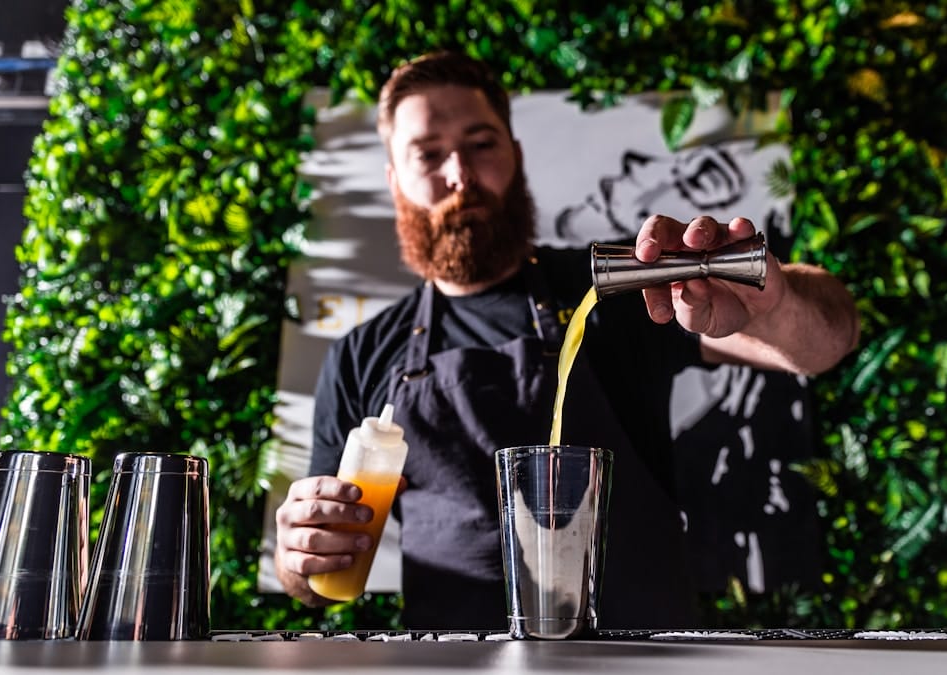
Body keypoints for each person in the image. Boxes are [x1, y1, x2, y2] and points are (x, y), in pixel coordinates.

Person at [273, 50, 860, 630]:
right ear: (394, 178)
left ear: (516, 155)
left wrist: (774, 302)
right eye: (428, 154)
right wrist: (302, 555)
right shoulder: (360, 357)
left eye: (481, 144)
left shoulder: (614, 289)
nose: (460, 175)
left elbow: (825, 343)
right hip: (454, 666)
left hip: (637, 661)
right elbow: (320, 578)